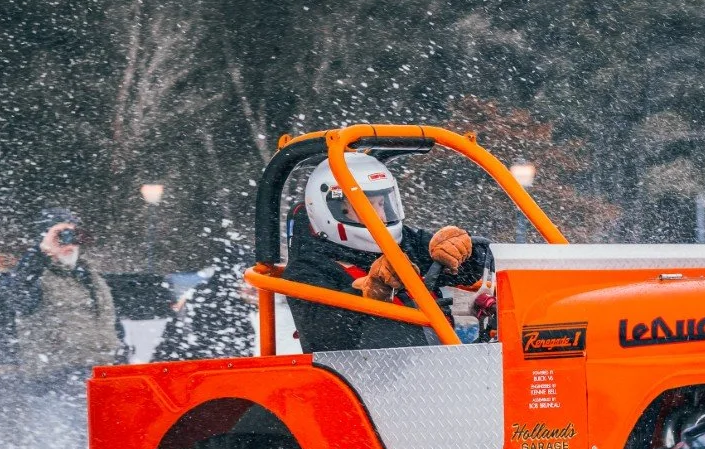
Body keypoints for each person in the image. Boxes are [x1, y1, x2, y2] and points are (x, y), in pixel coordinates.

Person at [282, 152, 491, 352]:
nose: (381, 217)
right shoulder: (308, 269)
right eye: (367, 207)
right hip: (365, 375)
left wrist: (463, 251)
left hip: (434, 360)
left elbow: (470, 271)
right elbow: (325, 335)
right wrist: (370, 293)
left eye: (382, 203)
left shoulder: (407, 242)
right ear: (331, 208)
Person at [3, 208, 126, 386]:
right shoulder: (34, 274)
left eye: (73, 236)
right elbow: (16, 297)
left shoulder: (91, 276)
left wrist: (120, 355)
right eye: (61, 236)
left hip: (102, 375)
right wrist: (40, 253)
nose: (70, 244)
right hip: (56, 379)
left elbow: (110, 322)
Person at [152, 238, 256, 363]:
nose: (255, 288)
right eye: (251, 280)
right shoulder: (215, 305)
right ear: (235, 277)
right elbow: (225, 360)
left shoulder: (222, 299)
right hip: (182, 373)